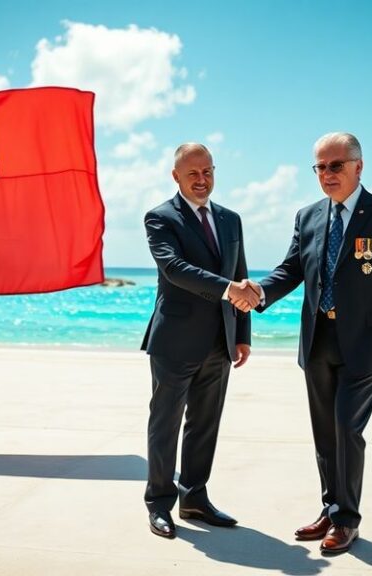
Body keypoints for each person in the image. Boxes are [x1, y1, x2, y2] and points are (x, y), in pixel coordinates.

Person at [234, 132, 372, 555]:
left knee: (348, 428)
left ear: (358, 166)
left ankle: (347, 519)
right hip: (317, 341)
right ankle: (331, 509)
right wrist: (258, 291)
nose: (327, 174)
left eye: (336, 165)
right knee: (325, 433)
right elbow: (291, 268)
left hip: (365, 346)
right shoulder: (308, 216)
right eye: (320, 167)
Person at [141, 142, 258, 539]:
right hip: (174, 341)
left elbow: (239, 271)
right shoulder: (160, 218)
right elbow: (175, 269)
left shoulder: (231, 219)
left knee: (205, 424)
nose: (202, 179)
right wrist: (229, 289)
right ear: (176, 176)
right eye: (193, 173)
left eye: (208, 171)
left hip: (220, 341)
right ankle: (159, 503)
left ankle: (194, 498)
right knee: (165, 424)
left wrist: (241, 334)